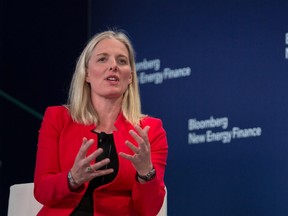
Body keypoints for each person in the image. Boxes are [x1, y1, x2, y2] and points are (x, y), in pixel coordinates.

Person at [34, 30, 168, 216]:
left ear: (130, 77)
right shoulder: (58, 118)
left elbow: (149, 210)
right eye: (102, 59)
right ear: (87, 74)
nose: (113, 66)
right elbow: (41, 191)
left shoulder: (150, 130)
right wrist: (72, 178)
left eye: (122, 61)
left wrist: (146, 172)